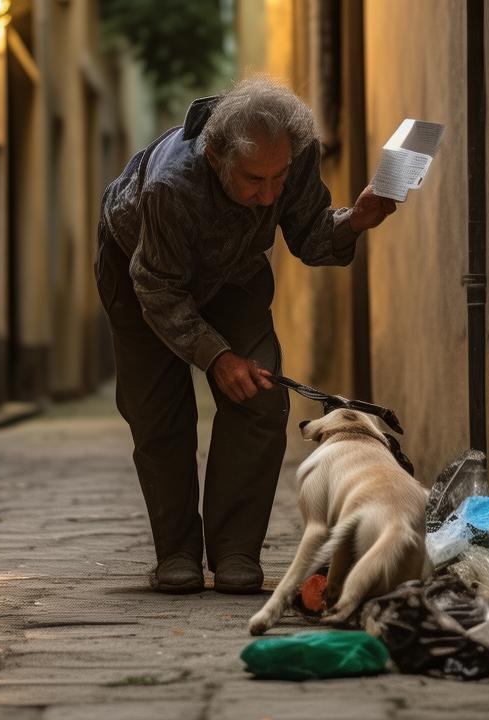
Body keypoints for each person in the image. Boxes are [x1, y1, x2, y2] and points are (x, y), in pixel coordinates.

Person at [96, 78, 398, 594]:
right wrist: (215, 356)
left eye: (278, 177)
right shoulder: (171, 185)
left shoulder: (292, 153)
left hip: (234, 273)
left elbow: (309, 235)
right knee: (158, 414)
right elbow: (158, 287)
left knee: (260, 400)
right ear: (216, 157)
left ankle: (235, 550)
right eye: (254, 180)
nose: (269, 195)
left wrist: (356, 221)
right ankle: (177, 554)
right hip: (142, 274)